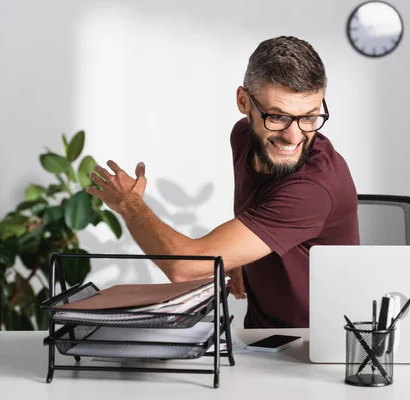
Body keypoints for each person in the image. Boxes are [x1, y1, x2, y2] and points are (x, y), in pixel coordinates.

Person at [86, 36, 359, 328]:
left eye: (309, 117)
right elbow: (263, 208)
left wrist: (129, 204)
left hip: (317, 349)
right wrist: (241, 254)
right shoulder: (243, 137)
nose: (294, 137)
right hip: (264, 337)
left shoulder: (313, 188)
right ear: (244, 102)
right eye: (278, 117)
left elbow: (184, 269)